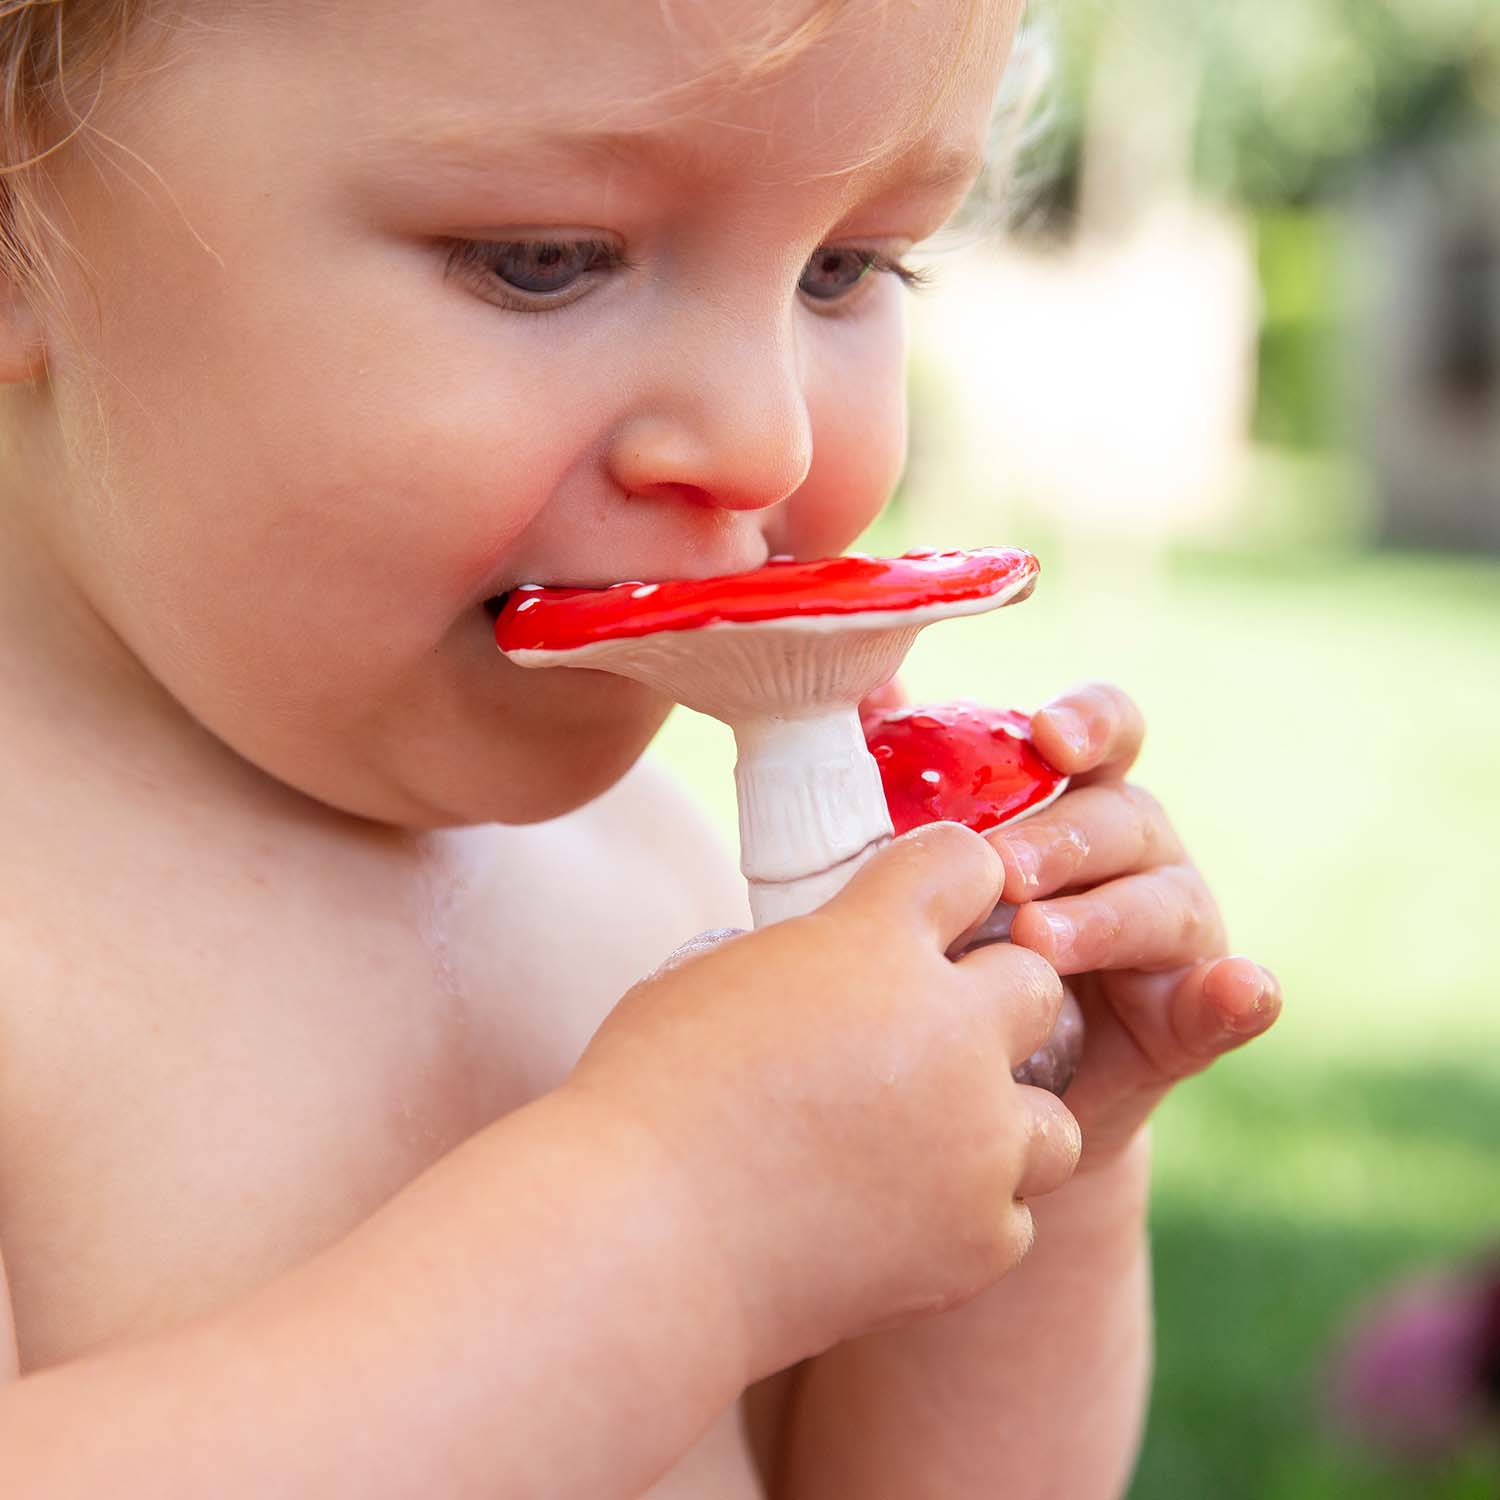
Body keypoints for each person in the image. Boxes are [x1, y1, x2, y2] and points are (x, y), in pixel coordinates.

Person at [0, 0, 1281, 1494]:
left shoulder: (661, 882)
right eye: (544, 257)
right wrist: (675, 1222)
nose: (766, 441)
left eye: (844, 266)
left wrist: (1033, 1156)